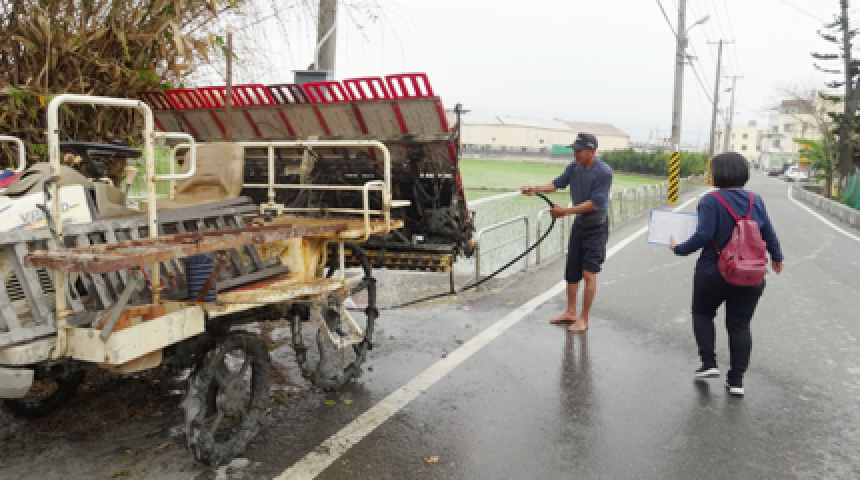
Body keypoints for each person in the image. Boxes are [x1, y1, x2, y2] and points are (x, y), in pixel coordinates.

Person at [669, 152, 783, 397]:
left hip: (713, 273)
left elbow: (703, 235)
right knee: (740, 326)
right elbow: (768, 232)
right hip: (750, 274)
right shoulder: (755, 200)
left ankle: (709, 363)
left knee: (702, 314)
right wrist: (777, 257)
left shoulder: (711, 200)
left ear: (719, 173)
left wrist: (679, 248)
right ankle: (736, 381)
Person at [520, 132, 613, 333]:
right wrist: (535, 188)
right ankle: (570, 312)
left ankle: (584, 318)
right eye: (574, 150)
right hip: (580, 225)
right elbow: (556, 183)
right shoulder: (574, 167)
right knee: (572, 271)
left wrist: (564, 212)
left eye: (579, 150)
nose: (575, 154)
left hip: (596, 228)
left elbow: (594, 203)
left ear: (592, 151)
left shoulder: (604, 172)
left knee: (589, 273)